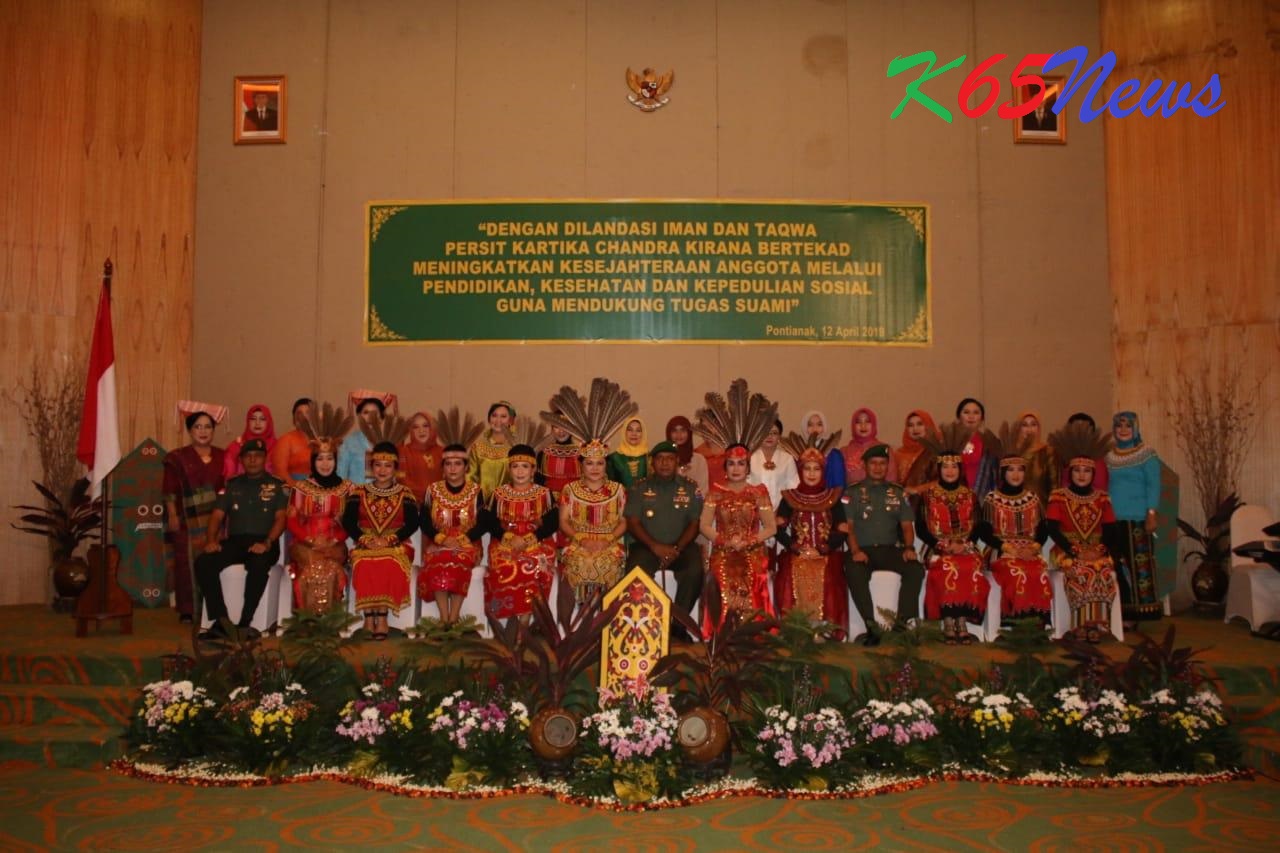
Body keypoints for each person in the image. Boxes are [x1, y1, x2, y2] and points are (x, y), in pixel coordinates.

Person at [194, 438, 288, 638]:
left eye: (258, 456)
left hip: (264, 542)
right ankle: (221, 621)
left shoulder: (277, 486)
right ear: (241, 460)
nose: (253, 460)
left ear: (265, 459)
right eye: (248, 456)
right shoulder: (232, 485)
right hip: (236, 542)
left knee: (258, 564)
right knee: (204, 562)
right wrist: (211, 541)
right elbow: (216, 516)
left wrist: (267, 543)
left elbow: (281, 519)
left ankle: (245, 623)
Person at [1046, 422, 1121, 643]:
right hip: (1066, 549)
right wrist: (1074, 550)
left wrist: (1100, 550)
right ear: (1070, 473)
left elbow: (1111, 529)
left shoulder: (1102, 498)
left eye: (1086, 471)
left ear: (1093, 473)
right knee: (1081, 571)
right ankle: (1079, 625)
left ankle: (1097, 625)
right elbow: (1052, 529)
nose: (1081, 475)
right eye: (1077, 470)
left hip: (1097, 549)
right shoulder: (1058, 496)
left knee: (1102, 570)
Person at [842, 444, 924, 646]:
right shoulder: (852, 493)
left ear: (888, 466)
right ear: (865, 465)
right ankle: (872, 627)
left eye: (882, 464)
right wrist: (855, 551)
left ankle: (901, 626)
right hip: (862, 550)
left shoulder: (898, 493)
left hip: (889, 550)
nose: (878, 468)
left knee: (915, 569)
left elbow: (907, 527)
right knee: (853, 570)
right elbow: (848, 528)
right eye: (873, 463)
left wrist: (909, 548)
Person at [625, 441, 704, 638]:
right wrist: (654, 546)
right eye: (660, 459)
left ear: (677, 462)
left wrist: (677, 548)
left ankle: (678, 625)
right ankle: (646, 624)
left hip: (682, 546)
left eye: (670, 459)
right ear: (652, 463)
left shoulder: (690, 488)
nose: (665, 463)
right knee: (635, 571)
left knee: (695, 571)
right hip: (646, 546)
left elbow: (694, 523)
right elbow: (633, 522)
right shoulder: (639, 488)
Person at [773, 435, 848, 638]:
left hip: (826, 553)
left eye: (816, 469)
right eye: (807, 468)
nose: (812, 473)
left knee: (829, 575)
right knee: (789, 573)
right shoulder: (789, 497)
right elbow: (778, 529)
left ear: (823, 471)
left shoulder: (833, 497)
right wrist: (795, 547)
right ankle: (796, 628)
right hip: (797, 553)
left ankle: (824, 630)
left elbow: (842, 530)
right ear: (800, 471)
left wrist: (823, 549)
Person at [342, 441, 419, 639]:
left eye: (387, 466)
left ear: (395, 469)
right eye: (378, 465)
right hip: (365, 543)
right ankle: (369, 618)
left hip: (396, 544)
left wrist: (390, 539)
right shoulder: (358, 492)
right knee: (364, 562)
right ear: (371, 467)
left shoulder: (405, 494)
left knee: (388, 562)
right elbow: (348, 521)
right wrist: (364, 539)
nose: (382, 470)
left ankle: (382, 618)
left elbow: (412, 524)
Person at [917, 441, 988, 644]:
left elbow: (978, 526)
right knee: (947, 566)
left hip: (966, 546)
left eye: (954, 466)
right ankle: (948, 621)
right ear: (939, 470)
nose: (950, 471)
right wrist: (942, 546)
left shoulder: (970, 496)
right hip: (937, 547)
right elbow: (921, 528)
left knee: (970, 566)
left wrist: (964, 545)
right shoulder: (927, 495)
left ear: (960, 469)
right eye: (945, 467)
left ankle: (962, 621)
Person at [700, 444, 777, 632]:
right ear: (725, 467)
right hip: (723, 551)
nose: (736, 468)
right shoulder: (715, 492)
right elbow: (704, 525)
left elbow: (771, 527)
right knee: (720, 575)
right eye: (731, 463)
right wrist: (723, 541)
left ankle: (752, 630)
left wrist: (749, 541)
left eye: (741, 464)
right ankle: (723, 631)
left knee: (753, 576)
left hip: (752, 552)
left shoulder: (759, 493)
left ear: (748, 468)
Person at [163, 403, 228, 623]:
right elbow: (169, 490)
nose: (203, 431)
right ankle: (188, 610)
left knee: (213, 561)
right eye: (198, 427)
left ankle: (212, 609)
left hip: (217, 519)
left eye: (208, 427)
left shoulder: (223, 456)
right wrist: (172, 514)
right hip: (186, 520)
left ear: (213, 430)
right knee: (186, 564)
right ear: (190, 431)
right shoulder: (176, 457)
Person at [483, 443, 558, 621]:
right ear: (509, 469)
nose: (520, 471)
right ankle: (508, 622)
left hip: (537, 543)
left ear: (533, 470)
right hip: (504, 543)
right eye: (515, 466)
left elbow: (552, 522)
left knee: (536, 566)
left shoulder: (544, 493)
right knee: (505, 565)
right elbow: (489, 521)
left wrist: (530, 539)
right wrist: (508, 537)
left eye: (525, 466)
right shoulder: (498, 494)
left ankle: (525, 624)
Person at [979, 448, 1052, 628]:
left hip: (1029, 551)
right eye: (1011, 470)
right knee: (1017, 572)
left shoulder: (1033, 498)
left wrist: (1034, 548)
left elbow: (1043, 530)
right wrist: (1009, 548)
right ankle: (1016, 624)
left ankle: (1037, 625)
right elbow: (984, 532)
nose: (1016, 474)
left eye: (1020, 470)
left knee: (1038, 572)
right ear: (1003, 473)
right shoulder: (992, 499)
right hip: (1000, 551)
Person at [1104, 411, 1164, 625]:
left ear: (1135, 428)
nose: (1123, 430)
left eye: (1128, 426)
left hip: (1138, 518)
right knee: (1117, 566)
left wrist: (1151, 513)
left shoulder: (1147, 454)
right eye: (1119, 426)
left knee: (1140, 566)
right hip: (1113, 519)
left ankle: (1142, 611)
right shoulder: (1109, 457)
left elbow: (1154, 485)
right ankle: (1123, 613)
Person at [420, 443, 485, 626]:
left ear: (466, 467)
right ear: (443, 467)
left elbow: (483, 522)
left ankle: (454, 617)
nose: (453, 468)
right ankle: (444, 617)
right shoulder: (432, 490)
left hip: (468, 542)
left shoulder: (476, 491)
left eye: (458, 464)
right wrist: (441, 538)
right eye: (448, 464)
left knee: (459, 559)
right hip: (439, 541)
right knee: (437, 559)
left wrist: (462, 540)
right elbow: (424, 521)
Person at [285, 437, 350, 614]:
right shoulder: (301, 488)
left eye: (330, 458)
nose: (325, 464)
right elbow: (291, 520)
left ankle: (329, 621)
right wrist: (310, 540)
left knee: (330, 569)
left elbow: (350, 523)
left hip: (335, 544)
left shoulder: (346, 489)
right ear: (313, 462)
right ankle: (307, 620)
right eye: (320, 459)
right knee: (313, 567)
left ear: (336, 461)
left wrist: (334, 540)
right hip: (304, 543)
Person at [559, 442, 628, 607]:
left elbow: (624, 521)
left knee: (609, 563)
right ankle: (580, 612)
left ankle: (607, 612)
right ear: (581, 465)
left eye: (600, 463)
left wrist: (608, 540)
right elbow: (563, 521)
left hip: (610, 541)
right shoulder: (569, 489)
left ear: (606, 465)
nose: (595, 468)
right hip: (578, 541)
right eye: (589, 463)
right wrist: (581, 540)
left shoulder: (618, 489)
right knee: (577, 562)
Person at [338, 393, 395, 484]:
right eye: (366, 412)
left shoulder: (389, 442)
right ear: (359, 416)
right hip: (355, 492)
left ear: (381, 417)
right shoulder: (349, 442)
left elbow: (395, 476)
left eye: (374, 413)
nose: (370, 417)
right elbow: (341, 475)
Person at [469, 401, 516, 508]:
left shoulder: (516, 447)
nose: (498, 420)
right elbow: (470, 477)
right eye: (494, 415)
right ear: (489, 419)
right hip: (481, 506)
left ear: (510, 420)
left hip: (509, 504)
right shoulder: (478, 447)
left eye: (503, 416)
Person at [749, 419, 799, 511]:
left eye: (774, 433)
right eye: (766, 432)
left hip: (781, 512)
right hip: (754, 511)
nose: (770, 436)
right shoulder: (750, 458)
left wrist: (782, 512)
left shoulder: (787, 459)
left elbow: (793, 489)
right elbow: (745, 487)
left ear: (779, 436)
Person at [843, 408, 899, 485]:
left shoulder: (884, 449)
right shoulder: (844, 451)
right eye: (858, 422)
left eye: (867, 421)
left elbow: (892, 480)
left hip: (880, 492)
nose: (863, 425)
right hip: (851, 492)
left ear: (873, 424)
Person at [956, 397, 997, 501]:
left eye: (976, 413)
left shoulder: (990, 444)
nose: (971, 416)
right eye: (966, 412)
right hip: (955, 498)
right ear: (958, 417)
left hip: (982, 498)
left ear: (982, 419)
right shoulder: (949, 442)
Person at [223, 403, 277, 479]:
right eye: (253, 419)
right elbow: (229, 476)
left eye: (262, 419)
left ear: (269, 422)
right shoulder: (236, 446)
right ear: (248, 421)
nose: (257, 423)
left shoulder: (278, 447)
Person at [894, 409, 941, 494]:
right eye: (910, 425)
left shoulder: (936, 451)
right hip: (902, 499)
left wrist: (917, 490)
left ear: (928, 426)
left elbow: (943, 481)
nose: (915, 429)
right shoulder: (898, 454)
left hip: (930, 498)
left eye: (920, 424)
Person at [399, 411, 443, 503]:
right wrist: (426, 495)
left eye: (425, 426)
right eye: (416, 427)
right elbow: (402, 479)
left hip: (440, 503)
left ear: (432, 428)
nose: (421, 430)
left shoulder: (442, 452)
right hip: (413, 503)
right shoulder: (403, 452)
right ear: (411, 431)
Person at [270, 398, 316, 484]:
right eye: (299, 413)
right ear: (294, 419)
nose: (304, 417)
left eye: (308, 413)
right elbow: (280, 472)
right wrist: (297, 489)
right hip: (292, 488)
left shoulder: (323, 439)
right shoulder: (285, 440)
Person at [1016, 410, 1057, 505]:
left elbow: (1055, 487)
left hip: (1041, 508)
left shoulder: (1047, 452)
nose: (1029, 429)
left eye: (1033, 425)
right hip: (1014, 507)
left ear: (1039, 428)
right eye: (1024, 425)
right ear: (1018, 428)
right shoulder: (1013, 451)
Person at [1060, 412, 1109, 491]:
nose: (1079, 432)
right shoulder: (1061, 455)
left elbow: (1100, 489)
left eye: (1084, 428)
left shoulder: (1097, 459)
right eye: (1075, 428)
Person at [665, 415, 708, 496]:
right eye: (674, 431)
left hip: (695, 503)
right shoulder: (663, 459)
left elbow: (703, 491)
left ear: (689, 433)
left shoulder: (699, 460)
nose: (679, 435)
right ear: (669, 434)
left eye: (683, 430)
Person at [802, 409, 846, 489]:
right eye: (810, 425)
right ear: (805, 427)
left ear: (824, 427)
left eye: (819, 424)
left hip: (829, 496)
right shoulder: (799, 453)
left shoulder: (834, 455)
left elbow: (839, 485)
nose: (815, 428)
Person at [537, 422, 581, 497]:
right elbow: (539, 482)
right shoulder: (543, 453)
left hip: (574, 499)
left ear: (572, 428)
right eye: (556, 427)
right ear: (552, 428)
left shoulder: (581, 454)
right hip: (549, 499)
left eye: (565, 426)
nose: (561, 431)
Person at [607, 417, 649, 488]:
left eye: (638, 430)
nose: (634, 434)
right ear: (624, 432)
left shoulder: (649, 458)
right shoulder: (613, 458)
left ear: (643, 434)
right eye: (630, 430)